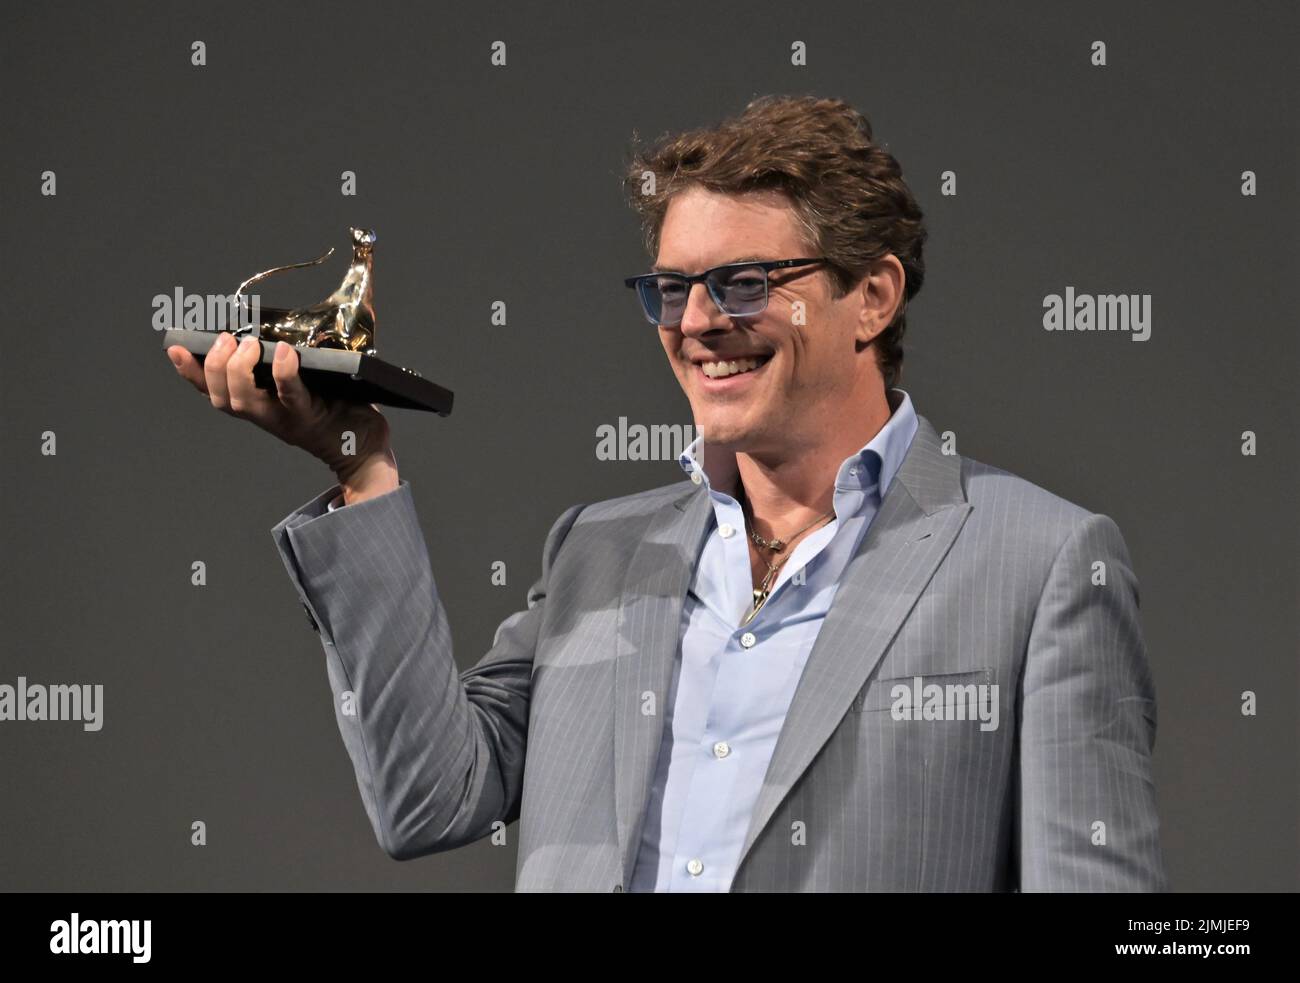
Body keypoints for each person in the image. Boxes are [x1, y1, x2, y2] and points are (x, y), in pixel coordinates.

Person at [166, 94, 1166, 892]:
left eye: (743, 282)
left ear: (871, 295)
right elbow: (433, 797)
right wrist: (361, 467)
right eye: (669, 288)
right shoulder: (597, 550)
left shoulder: (1038, 564)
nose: (695, 323)